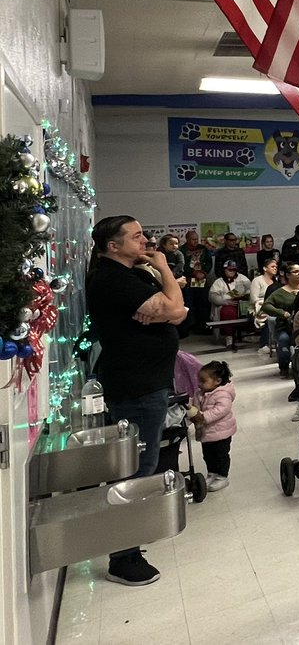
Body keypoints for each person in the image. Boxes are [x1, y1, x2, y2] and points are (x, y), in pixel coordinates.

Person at [86, 215, 186, 585]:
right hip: (135, 386)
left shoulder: (134, 274)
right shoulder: (112, 279)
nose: (146, 240)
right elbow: (176, 310)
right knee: (136, 470)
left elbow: (178, 312)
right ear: (113, 246)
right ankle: (122, 557)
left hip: (148, 382)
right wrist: (163, 269)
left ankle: (127, 545)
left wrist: (167, 303)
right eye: (137, 235)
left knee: (143, 465)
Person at [191, 360, 237, 491]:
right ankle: (212, 473)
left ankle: (222, 476)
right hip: (206, 432)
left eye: (203, 381)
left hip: (221, 432)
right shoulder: (199, 393)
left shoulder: (223, 394)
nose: (199, 384)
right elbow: (195, 406)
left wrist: (204, 417)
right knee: (208, 455)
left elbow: (222, 410)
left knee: (221, 455)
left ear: (217, 381)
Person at [261, 263, 299, 380]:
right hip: (286, 326)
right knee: (284, 340)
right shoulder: (280, 292)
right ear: (288, 275)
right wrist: (282, 313)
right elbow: (266, 306)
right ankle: (284, 367)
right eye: (296, 272)